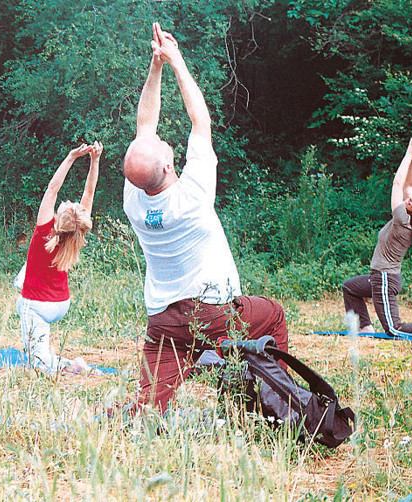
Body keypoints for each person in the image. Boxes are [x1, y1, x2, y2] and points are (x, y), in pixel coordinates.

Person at [121, 23, 290, 414]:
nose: (164, 140)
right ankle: (274, 402)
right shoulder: (192, 196)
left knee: (148, 406)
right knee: (273, 314)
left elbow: (144, 124)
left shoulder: (134, 198)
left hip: (164, 321)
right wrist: (176, 60)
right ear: (167, 164)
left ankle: (167, 398)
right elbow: (200, 120)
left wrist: (155, 66)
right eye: (164, 146)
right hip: (212, 315)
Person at [342, 135, 412, 338]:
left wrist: (408, 154)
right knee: (349, 287)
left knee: (394, 328)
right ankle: (365, 327)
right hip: (379, 277)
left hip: (384, 278)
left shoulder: (403, 218)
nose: (411, 198)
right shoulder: (409, 214)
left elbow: (397, 184)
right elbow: (409, 185)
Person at [17, 141, 102, 374]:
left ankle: (71, 366)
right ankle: (53, 357)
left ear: (60, 218)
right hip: (61, 303)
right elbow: (89, 192)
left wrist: (71, 157)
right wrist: (95, 161)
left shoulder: (44, 231)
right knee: (25, 275)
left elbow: (53, 188)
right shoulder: (77, 234)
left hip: (37, 304)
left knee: (38, 364)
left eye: (67, 204)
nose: (66, 201)